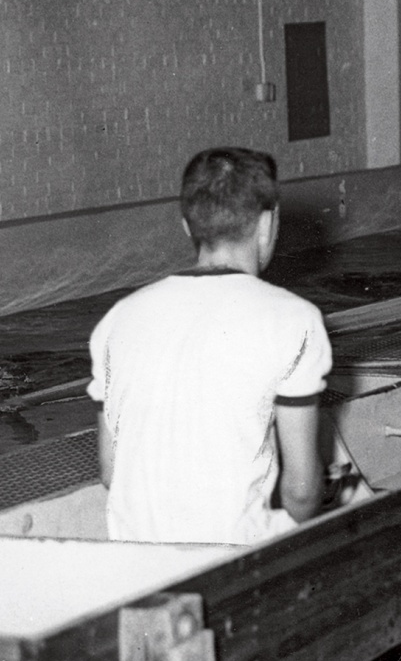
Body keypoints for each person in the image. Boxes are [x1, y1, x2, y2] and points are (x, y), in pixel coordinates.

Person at [89, 147, 331, 545]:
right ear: (268, 223)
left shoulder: (118, 318)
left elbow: (110, 472)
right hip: (235, 565)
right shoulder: (294, 318)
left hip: (133, 564)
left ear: (187, 225)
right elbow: (301, 492)